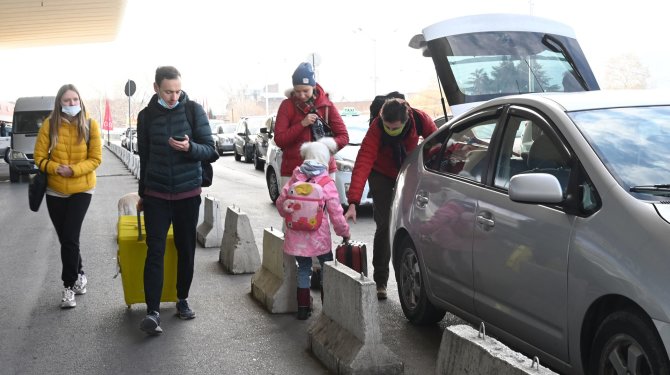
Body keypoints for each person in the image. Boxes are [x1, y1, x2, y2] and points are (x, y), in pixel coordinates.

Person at [136, 66, 217, 335]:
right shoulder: (145, 117)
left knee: (186, 249)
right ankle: (153, 312)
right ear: (156, 87)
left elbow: (211, 150)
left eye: (177, 91)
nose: (173, 96)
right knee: (155, 251)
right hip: (156, 195)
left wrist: (190, 148)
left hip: (187, 195)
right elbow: (144, 157)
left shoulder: (193, 110)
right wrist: (142, 194)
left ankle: (182, 300)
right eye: (168, 91)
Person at [344, 97, 437, 300]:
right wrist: (353, 202)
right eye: (387, 126)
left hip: (408, 170)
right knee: (385, 224)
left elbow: (438, 143)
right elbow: (363, 162)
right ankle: (381, 281)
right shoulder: (376, 128)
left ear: (406, 120)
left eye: (395, 128)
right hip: (381, 174)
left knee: (413, 223)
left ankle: (416, 280)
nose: (390, 131)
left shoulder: (420, 119)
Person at [33, 84, 102, 308]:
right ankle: (80, 273)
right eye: (67, 100)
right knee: (66, 239)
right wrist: (55, 169)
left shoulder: (90, 125)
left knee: (70, 237)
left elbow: (96, 159)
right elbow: (39, 157)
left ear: (80, 102)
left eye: (75, 100)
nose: (71, 104)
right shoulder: (49, 125)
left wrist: (73, 170)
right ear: (59, 103)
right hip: (55, 190)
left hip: (82, 188)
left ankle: (68, 286)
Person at [275, 137, 350, 320]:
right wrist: (344, 233)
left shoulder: (295, 178)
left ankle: (302, 308)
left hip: (296, 237)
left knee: (303, 268)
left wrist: (287, 213)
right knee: (326, 269)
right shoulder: (325, 182)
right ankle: (328, 310)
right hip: (319, 237)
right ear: (325, 159)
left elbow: (280, 203)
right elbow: (336, 213)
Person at [274, 62, 349, 188]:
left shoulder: (326, 105)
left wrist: (323, 148)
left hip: (324, 170)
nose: (302, 95)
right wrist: (302, 124)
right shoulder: (287, 106)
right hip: (294, 170)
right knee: (293, 207)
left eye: (306, 90)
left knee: (326, 206)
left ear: (313, 86)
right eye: (297, 91)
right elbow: (280, 140)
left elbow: (344, 137)